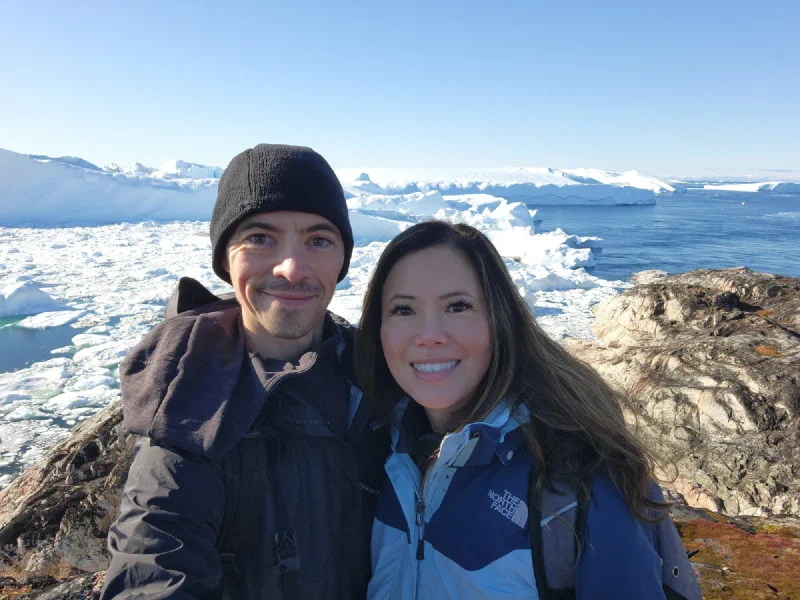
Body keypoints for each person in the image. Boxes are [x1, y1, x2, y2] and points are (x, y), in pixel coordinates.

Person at [355, 221, 702, 600]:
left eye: (457, 306)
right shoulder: (371, 447)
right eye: (403, 309)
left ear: (499, 319)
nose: (429, 335)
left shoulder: (575, 478)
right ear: (378, 327)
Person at [101, 144, 389, 599]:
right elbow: (153, 566)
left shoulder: (384, 378)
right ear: (225, 259)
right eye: (260, 238)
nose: (292, 268)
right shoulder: (191, 413)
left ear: (341, 260)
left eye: (318, 240)